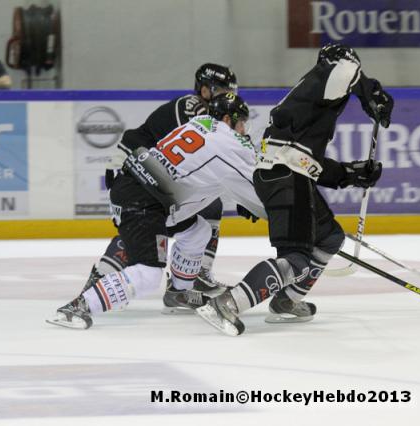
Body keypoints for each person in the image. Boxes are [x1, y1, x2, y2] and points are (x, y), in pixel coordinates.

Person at [196, 43, 394, 336]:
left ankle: (287, 300)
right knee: (296, 259)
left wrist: (350, 174)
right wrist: (372, 93)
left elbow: (303, 159)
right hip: (287, 178)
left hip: (285, 174)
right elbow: (346, 69)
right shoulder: (325, 75)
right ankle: (227, 303)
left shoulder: (311, 100)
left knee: (330, 237)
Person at [47, 93, 266, 330]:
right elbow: (256, 188)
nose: (245, 129)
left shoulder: (198, 124)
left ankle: (180, 293)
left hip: (146, 192)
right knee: (148, 275)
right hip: (143, 200)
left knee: (198, 231)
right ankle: (77, 307)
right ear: (226, 119)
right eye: (242, 122)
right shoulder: (228, 142)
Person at [81, 63, 239, 314]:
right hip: (131, 164)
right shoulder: (193, 106)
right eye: (220, 89)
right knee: (144, 220)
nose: (226, 96)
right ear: (205, 89)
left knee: (193, 210)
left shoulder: (209, 115)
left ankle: (197, 274)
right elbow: (199, 145)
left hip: (144, 166)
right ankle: (102, 275)